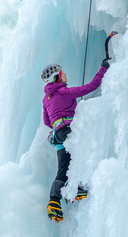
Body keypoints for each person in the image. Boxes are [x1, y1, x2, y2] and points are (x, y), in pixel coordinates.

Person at [41, 58, 110, 222]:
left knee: (63, 169)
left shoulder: (47, 99)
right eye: (62, 73)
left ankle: (54, 201)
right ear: (57, 77)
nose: (65, 75)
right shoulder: (63, 92)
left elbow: (46, 121)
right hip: (66, 131)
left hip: (57, 136)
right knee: (83, 152)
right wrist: (104, 69)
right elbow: (91, 87)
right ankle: (73, 187)